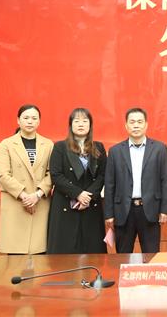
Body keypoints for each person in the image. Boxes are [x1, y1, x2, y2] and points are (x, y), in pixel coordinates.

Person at [104, 108, 167, 253]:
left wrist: (165, 210)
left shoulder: (159, 149)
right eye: (132, 122)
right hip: (123, 211)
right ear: (126, 125)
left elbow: (166, 181)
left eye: (140, 122)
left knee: (151, 256)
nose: (136, 125)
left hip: (150, 210)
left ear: (146, 125)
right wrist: (109, 213)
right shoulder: (115, 151)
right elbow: (109, 184)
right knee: (123, 256)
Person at [47, 108, 107, 254]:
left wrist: (88, 196)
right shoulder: (60, 147)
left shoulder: (98, 147)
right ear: (70, 125)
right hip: (65, 204)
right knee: (65, 251)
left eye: (85, 121)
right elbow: (56, 175)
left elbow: (103, 175)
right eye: (77, 121)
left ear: (90, 125)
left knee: (92, 250)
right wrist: (78, 194)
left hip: (90, 204)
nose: (81, 124)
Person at [0, 104, 53, 254]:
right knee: (15, 255)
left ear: (39, 121)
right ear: (18, 120)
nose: (30, 121)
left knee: (39, 254)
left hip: (39, 202)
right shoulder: (7, 144)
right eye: (26, 117)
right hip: (16, 202)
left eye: (34, 118)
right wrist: (24, 196)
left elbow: (52, 173)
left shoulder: (48, 144)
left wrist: (37, 194)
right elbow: (3, 174)